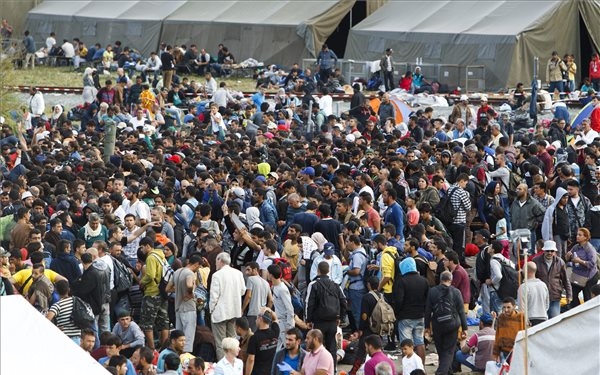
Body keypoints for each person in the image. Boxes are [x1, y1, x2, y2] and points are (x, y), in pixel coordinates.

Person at [424, 271, 468, 375]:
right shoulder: (456, 292)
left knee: (440, 349)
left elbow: (427, 310)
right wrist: (464, 328)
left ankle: (444, 371)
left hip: (437, 324)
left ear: (440, 279)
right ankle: (442, 372)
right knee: (448, 351)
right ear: (451, 280)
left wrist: (427, 327)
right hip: (453, 324)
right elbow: (461, 311)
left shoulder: (432, 291)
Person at [305, 261, 346, 364]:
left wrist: (308, 319)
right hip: (333, 321)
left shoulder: (313, 285)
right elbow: (343, 302)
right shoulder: (336, 285)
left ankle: (318, 367)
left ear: (318, 270)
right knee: (332, 346)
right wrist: (341, 317)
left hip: (319, 321)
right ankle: (332, 369)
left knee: (317, 345)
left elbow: (309, 304)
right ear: (329, 271)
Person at [210, 252, 246, 360]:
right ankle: (233, 364)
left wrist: (211, 310)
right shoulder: (238, 273)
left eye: (216, 261)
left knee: (221, 343)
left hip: (220, 312)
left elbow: (214, 296)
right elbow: (243, 290)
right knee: (232, 340)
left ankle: (223, 367)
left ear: (220, 260)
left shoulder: (217, 275)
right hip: (234, 311)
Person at [392, 257, 428, 364]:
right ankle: (421, 368)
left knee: (405, 344)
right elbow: (427, 299)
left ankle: (408, 368)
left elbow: (399, 300)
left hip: (405, 316)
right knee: (420, 342)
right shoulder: (424, 281)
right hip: (420, 315)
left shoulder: (401, 281)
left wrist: (397, 313)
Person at [138, 237, 169, 350]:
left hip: (152, 292)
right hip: (162, 292)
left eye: (142, 247)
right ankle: (165, 348)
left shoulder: (151, 257)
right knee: (164, 322)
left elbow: (150, 275)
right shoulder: (161, 256)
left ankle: (152, 350)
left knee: (147, 323)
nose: (141, 250)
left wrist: (142, 282)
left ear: (147, 246)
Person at [168, 253, 202, 353]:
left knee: (179, 338)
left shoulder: (177, 272)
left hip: (178, 308)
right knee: (188, 338)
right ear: (196, 264)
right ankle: (186, 359)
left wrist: (178, 289)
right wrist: (190, 292)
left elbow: (167, 288)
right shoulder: (190, 273)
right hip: (188, 308)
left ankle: (178, 358)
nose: (198, 269)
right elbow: (189, 284)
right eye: (199, 267)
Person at [533, 240, 572, 319]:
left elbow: (565, 280)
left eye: (552, 251)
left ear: (554, 251)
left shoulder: (560, 262)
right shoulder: (536, 261)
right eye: (547, 251)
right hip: (540, 297)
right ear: (544, 251)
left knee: (554, 320)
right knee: (542, 321)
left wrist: (569, 295)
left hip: (555, 296)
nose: (549, 253)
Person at [565, 228, 599, 308]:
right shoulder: (576, 247)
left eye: (580, 235)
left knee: (587, 297)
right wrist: (567, 257)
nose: (577, 236)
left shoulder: (589, 249)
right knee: (573, 295)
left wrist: (580, 261)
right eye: (577, 234)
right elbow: (570, 259)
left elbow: (592, 263)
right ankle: (576, 310)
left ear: (585, 237)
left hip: (589, 277)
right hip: (578, 275)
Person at [245, 308, 279, 375]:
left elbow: (251, 360)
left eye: (257, 318)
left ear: (260, 318)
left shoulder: (254, 338)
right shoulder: (275, 330)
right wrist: (269, 310)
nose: (255, 320)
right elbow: (275, 319)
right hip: (271, 371)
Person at [46, 279, 81, 344]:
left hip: (64, 339)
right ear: (69, 290)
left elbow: (45, 321)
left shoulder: (57, 306)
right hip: (79, 339)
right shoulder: (77, 301)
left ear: (56, 291)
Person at [493, 297, 525, 364]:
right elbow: (497, 336)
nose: (506, 310)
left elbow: (525, 336)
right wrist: (495, 353)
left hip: (517, 351)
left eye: (508, 307)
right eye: (504, 307)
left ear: (514, 306)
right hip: (503, 351)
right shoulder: (501, 317)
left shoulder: (521, 317)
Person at [517, 262, 549, 326]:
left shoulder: (523, 287)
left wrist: (524, 321)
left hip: (530, 319)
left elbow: (521, 307)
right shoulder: (543, 285)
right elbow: (547, 304)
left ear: (526, 271)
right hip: (544, 317)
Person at [243, 261, 272, 331]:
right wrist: (267, 311)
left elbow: (248, 296)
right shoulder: (266, 282)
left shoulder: (250, 279)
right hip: (263, 314)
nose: (246, 273)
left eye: (248, 270)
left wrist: (242, 309)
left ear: (255, 270)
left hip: (253, 313)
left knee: (252, 335)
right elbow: (271, 300)